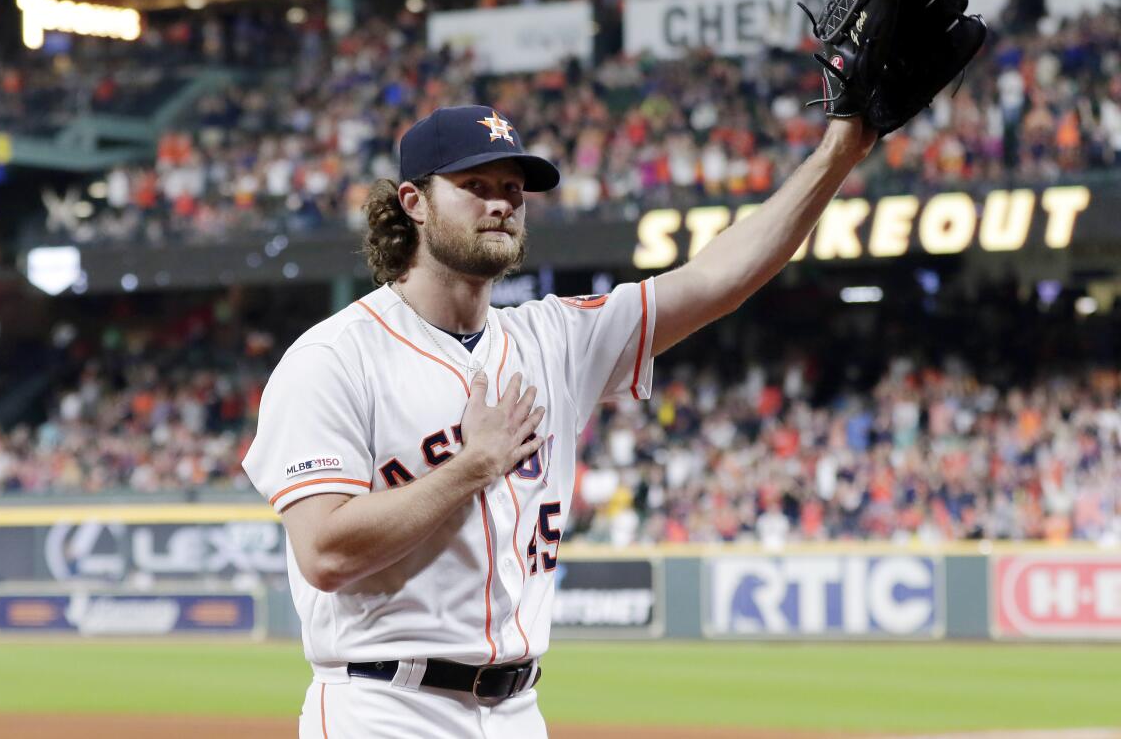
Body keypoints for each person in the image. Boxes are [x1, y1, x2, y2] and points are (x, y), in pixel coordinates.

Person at [241, 104, 876, 737]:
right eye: (475, 187)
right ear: (414, 201)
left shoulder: (554, 338)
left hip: (518, 709)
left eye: (514, 189)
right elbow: (324, 552)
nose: (501, 205)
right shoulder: (335, 358)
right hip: (384, 708)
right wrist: (474, 465)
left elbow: (716, 279)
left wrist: (839, 151)